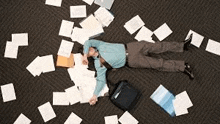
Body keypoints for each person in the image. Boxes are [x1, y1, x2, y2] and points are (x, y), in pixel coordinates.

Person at [82, 34, 194, 105]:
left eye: (87, 49)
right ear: (89, 57)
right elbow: (101, 80)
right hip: (132, 60)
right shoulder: (98, 64)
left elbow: (88, 42)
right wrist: (94, 95)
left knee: (157, 46)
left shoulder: (100, 45)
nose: (89, 49)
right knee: (157, 64)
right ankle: (183, 67)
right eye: (87, 52)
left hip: (132, 47)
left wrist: (84, 54)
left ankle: (182, 46)